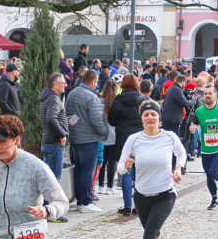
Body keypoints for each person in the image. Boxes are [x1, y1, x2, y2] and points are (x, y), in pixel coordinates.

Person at [117, 100, 185, 239]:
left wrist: (178, 168)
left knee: (148, 238)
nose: (150, 118)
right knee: (154, 237)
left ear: (159, 117)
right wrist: (126, 165)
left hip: (165, 195)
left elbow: (181, 154)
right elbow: (120, 167)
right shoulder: (134, 139)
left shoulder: (169, 137)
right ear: (142, 118)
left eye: (153, 114)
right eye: (146, 115)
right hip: (141, 196)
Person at [65, 69, 109, 213]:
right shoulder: (92, 97)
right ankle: (85, 201)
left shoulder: (72, 93)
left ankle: (80, 200)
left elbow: (72, 115)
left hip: (75, 138)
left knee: (78, 170)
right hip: (89, 139)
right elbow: (96, 120)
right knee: (87, 172)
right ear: (94, 81)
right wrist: (104, 132)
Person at [189, 84, 218, 210]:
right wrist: (192, 129)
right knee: (208, 175)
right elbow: (193, 126)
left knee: (213, 171)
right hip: (205, 148)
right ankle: (215, 198)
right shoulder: (199, 111)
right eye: (205, 93)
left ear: (215, 95)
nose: (207, 96)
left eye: (210, 93)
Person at [109, 74, 147, 216]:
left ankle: (126, 206)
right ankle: (139, 205)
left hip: (124, 140)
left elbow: (112, 121)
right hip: (140, 140)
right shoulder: (143, 100)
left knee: (126, 171)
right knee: (140, 174)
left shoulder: (117, 101)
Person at [38, 73, 69, 223]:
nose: (65, 85)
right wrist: (62, 133)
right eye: (63, 83)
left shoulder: (47, 98)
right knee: (53, 180)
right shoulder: (54, 98)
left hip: (48, 141)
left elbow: (52, 117)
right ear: (55, 84)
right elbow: (51, 119)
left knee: (48, 178)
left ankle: (47, 210)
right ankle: (50, 211)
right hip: (54, 142)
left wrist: (65, 122)